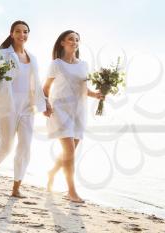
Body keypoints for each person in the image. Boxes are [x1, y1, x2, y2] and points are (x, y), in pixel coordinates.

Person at [0, 20, 50, 198]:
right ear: (12, 33)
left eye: (25, 32)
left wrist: (44, 103)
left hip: (28, 107)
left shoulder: (33, 58)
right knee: (6, 145)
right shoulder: (2, 54)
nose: (22, 35)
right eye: (18, 31)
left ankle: (16, 187)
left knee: (25, 147)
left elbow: (36, 84)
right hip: (8, 106)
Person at [43, 30, 104, 203]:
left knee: (69, 153)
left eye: (77, 40)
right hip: (60, 110)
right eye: (71, 39)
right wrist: (45, 104)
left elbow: (84, 90)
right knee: (69, 152)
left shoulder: (83, 64)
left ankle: (52, 172)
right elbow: (46, 88)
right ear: (62, 42)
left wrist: (97, 95)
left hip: (79, 111)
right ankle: (71, 192)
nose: (74, 42)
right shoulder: (56, 64)